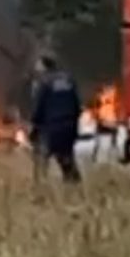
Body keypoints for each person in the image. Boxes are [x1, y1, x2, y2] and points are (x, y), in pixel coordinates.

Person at [30, 55, 82, 183]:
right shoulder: (68, 79)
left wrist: (34, 127)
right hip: (70, 125)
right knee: (66, 156)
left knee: (42, 156)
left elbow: (39, 107)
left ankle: (41, 185)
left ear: (44, 67)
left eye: (38, 65)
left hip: (52, 125)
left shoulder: (44, 82)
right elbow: (77, 104)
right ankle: (74, 183)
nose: (36, 69)